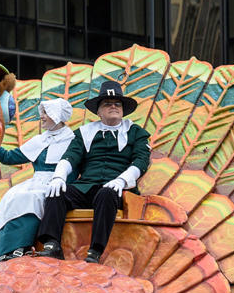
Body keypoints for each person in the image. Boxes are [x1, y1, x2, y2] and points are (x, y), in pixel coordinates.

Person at [36, 80, 150, 263]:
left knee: (107, 194)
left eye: (117, 103)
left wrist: (121, 181)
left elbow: (141, 161)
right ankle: (51, 245)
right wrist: (58, 177)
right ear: (98, 111)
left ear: (123, 109)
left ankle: (95, 252)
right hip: (86, 186)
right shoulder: (84, 132)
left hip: (117, 189)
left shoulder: (137, 133)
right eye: (107, 103)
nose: (113, 106)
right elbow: (70, 156)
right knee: (56, 192)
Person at [0, 98, 75, 261]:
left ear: (57, 115)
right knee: (12, 195)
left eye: (46, 113)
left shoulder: (74, 141)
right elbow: (8, 157)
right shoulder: (40, 140)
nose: (42, 117)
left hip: (58, 184)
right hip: (35, 182)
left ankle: (20, 247)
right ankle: (7, 250)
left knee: (31, 198)